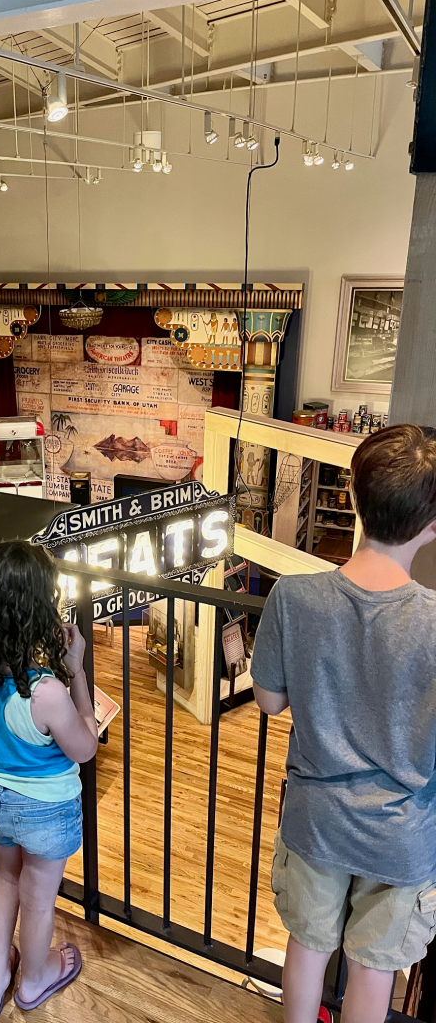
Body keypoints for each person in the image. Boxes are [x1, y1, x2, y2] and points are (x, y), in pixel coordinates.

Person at [251, 424, 436, 1023]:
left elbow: (270, 700)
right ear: (432, 526)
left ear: (352, 495)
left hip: (316, 816)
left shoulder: (293, 598)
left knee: (307, 948)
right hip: (403, 830)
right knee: (374, 968)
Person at [0, 541, 98, 1020]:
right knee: (38, 901)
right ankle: (33, 982)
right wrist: (75, 670)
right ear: (36, 611)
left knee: (4, 877)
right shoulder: (46, 691)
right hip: (45, 810)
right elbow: (85, 747)